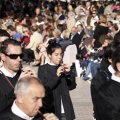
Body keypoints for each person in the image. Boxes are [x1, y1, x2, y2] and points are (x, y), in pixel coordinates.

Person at [38, 41, 75, 120]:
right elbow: (44, 88)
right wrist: (57, 76)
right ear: (49, 55)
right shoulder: (43, 69)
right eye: (56, 55)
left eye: (61, 54)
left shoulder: (62, 67)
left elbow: (71, 86)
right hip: (53, 109)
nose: (59, 57)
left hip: (66, 108)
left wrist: (70, 73)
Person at [0, 39, 36, 114]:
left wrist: (37, 82)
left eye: (21, 55)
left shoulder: (25, 74)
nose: (19, 59)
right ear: (3, 56)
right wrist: (18, 86)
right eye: (14, 56)